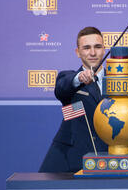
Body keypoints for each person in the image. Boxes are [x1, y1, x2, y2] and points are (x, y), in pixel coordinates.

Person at [39, 26, 107, 173]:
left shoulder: (118, 82)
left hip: (108, 159)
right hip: (70, 159)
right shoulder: (68, 78)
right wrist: (79, 78)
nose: (93, 53)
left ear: (104, 49)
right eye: (86, 48)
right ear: (78, 52)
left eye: (97, 47)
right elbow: (62, 88)